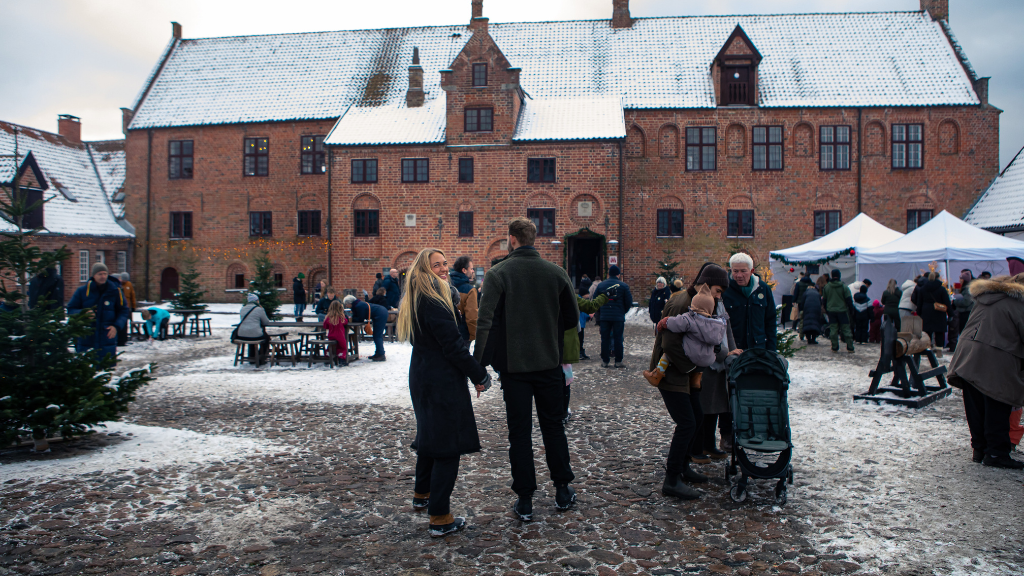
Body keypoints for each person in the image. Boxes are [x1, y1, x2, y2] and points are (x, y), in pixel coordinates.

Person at [473, 217, 580, 521]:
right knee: (554, 427)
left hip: (514, 368)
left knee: (519, 433)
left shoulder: (498, 273)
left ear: (512, 239)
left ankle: (525, 498)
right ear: (534, 239)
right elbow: (572, 319)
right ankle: (562, 488)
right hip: (548, 364)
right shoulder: (556, 273)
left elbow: (487, 322)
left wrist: (478, 366)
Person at [397, 249, 491, 537]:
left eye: (444, 263)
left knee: (429, 437)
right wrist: (480, 375)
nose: (442, 268)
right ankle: (440, 516)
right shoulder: (433, 301)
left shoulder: (417, 298)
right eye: (435, 265)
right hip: (440, 380)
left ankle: (422, 494)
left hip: (424, 376)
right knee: (447, 446)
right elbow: (453, 346)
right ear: (423, 270)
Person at [649, 263, 737, 499]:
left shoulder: (700, 302)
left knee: (697, 417)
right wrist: (692, 367)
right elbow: (669, 344)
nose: (719, 297)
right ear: (706, 284)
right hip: (672, 373)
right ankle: (672, 479)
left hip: (688, 375)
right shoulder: (682, 303)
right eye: (718, 291)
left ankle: (684, 466)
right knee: (687, 422)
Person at [947, 273, 1024, 469]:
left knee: (976, 404)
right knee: (997, 404)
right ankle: (997, 453)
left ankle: (980, 449)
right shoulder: (1018, 304)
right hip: (996, 358)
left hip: (969, 355)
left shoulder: (988, 297)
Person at [644, 284, 727, 388]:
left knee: (668, 354)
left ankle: (656, 375)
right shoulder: (717, 324)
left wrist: (665, 322)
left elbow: (676, 323)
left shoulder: (690, 319)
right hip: (708, 360)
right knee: (704, 355)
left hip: (691, 355)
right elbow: (718, 340)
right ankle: (696, 380)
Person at [561, 289, 610, 423]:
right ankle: (563, 411)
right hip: (564, 342)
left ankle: (555, 411)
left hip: (546, 343)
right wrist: (605, 296)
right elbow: (589, 306)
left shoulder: (541, 293)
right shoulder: (567, 294)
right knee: (564, 378)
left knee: (550, 378)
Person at [66, 263, 130, 362]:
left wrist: (116, 326)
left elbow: (124, 310)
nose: (103, 276)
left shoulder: (115, 291)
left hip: (107, 336)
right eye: (100, 274)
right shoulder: (82, 291)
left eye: (105, 274)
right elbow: (71, 309)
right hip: (86, 336)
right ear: (93, 275)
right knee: (86, 367)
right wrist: (83, 313)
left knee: (105, 369)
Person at [722, 253, 776, 351]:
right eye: (735, 271)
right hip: (732, 349)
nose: (739, 275)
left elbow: (770, 321)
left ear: (751, 271)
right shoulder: (724, 290)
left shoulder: (762, 289)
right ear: (730, 270)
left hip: (758, 349)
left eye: (743, 271)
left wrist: (771, 351)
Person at [595, 265, 633, 368]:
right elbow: (628, 301)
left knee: (605, 339)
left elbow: (595, 301)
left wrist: (600, 312)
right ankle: (618, 361)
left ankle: (605, 360)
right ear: (618, 274)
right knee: (618, 338)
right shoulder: (623, 286)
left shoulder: (601, 285)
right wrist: (622, 311)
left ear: (608, 274)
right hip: (618, 317)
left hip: (605, 317)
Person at [913, 271, 952, 356]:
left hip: (926, 311)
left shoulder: (923, 289)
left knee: (927, 332)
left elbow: (919, 302)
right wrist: (950, 314)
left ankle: (928, 349)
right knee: (939, 332)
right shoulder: (941, 289)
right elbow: (947, 302)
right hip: (939, 312)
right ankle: (939, 352)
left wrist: (919, 313)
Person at [346, 294, 389, 361]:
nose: (346, 306)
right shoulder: (358, 304)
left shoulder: (359, 306)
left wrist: (350, 318)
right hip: (381, 312)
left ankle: (381, 354)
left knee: (377, 335)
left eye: (346, 304)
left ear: (350, 303)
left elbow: (360, 319)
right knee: (377, 335)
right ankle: (378, 353)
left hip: (380, 314)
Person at [822, 269, 855, 353]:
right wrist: (851, 310)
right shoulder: (844, 287)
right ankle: (850, 347)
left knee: (833, 329)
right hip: (842, 311)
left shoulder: (827, 287)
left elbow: (824, 300)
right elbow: (849, 300)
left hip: (831, 311)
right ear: (839, 276)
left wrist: (826, 310)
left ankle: (834, 347)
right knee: (846, 329)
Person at [450, 256, 479, 342]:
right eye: (471, 269)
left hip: (447, 332)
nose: (473, 271)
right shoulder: (470, 290)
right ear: (464, 270)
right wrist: (473, 336)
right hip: (463, 334)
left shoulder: (446, 285)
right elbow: (472, 318)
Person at [236, 293, 271, 362]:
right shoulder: (259, 309)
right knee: (266, 338)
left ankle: (252, 356)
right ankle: (261, 357)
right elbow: (266, 322)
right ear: (256, 301)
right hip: (255, 333)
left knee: (251, 336)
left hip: (241, 334)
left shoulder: (243, 309)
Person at [323, 299, 349, 366]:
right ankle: (341, 359)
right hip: (340, 335)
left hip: (331, 335)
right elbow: (345, 322)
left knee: (330, 347)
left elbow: (325, 326)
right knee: (343, 347)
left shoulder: (328, 317)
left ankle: (328, 357)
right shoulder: (341, 317)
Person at [797, 280, 823, 345]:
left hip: (807, 310)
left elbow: (802, 303)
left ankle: (809, 339)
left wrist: (801, 310)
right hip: (816, 310)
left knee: (807, 324)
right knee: (815, 323)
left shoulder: (805, 293)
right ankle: (813, 339)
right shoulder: (817, 293)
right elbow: (820, 302)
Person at [953, 269, 975, 336]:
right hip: (963, 312)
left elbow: (966, 302)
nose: (959, 280)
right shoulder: (964, 288)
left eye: (961, 279)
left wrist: (955, 301)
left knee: (965, 332)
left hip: (966, 313)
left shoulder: (968, 289)